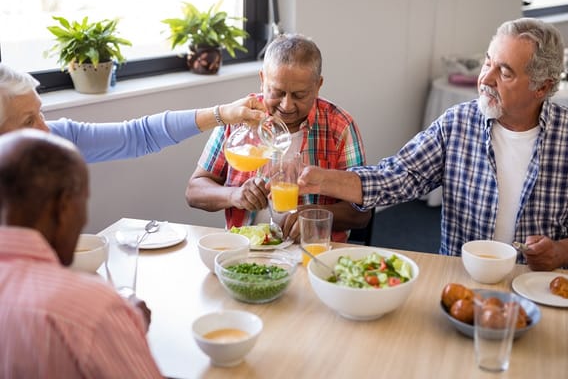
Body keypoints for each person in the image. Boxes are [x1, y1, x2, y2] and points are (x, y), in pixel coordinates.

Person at [297, 18, 568, 271]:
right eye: (487, 62)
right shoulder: (457, 123)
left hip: (538, 286)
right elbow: (397, 176)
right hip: (460, 280)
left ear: (542, 86)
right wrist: (320, 179)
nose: (485, 79)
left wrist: (559, 253)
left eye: (504, 72)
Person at [0, 129, 163, 378]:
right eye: (83, 201)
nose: (84, 218)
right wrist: (120, 322)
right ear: (63, 207)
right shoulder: (91, 310)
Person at [185, 34, 371, 242]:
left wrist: (313, 214)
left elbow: (361, 213)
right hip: (245, 250)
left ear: (318, 85)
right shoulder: (239, 117)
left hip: (312, 252)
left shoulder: (340, 126)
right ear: (263, 79)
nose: (287, 106)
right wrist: (234, 195)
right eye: (277, 92)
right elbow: (194, 191)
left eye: (300, 95)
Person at [0, 63, 266, 163]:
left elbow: (140, 135)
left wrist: (222, 113)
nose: (45, 130)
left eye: (41, 114)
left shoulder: (55, 139)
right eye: (28, 121)